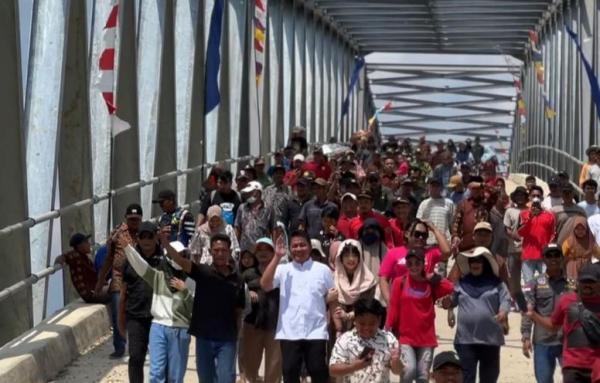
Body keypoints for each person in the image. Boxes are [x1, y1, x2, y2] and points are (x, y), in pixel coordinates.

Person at [261, 230, 335, 383]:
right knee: (289, 373)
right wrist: (277, 257)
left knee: (318, 371)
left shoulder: (323, 270)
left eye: (302, 245)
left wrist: (337, 323)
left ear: (309, 246)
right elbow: (265, 285)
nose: (298, 249)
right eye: (294, 246)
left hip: (316, 330)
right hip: (289, 331)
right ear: (290, 248)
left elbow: (333, 297)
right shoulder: (283, 269)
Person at [122, 239, 193, 383]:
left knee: (175, 376)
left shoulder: (191, 280)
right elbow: (141, 266)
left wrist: (185, 291)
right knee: (156, 373)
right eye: (177, 255)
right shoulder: (159, 276)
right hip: (158, 327)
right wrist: (128, 248)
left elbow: (194, 309)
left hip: (181, 330)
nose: (181, 258)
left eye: (182, 254)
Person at [442, 247, 511, 383]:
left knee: (489, 379)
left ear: (484, 263)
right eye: (472, 261)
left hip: (490, 341)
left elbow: (506, 300)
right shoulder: (461, 283)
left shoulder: (497, 284)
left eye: (478, 261)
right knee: (467, 379)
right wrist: (447, 304)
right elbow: (452, 301)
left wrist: (503, 312)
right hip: (465, 340)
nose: (475, 264)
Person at [385, 249, 454, 382]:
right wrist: (387, 331)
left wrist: (434, 278)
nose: (413, 267)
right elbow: (393, 308)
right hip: (406, 337)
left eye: (417, 263)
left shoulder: (430, 283)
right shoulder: (400, 282)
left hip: (427, 338)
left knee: (423, 376)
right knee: (409, 371)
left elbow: (451, 288)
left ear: (423, 264)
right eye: (410, 263)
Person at [526, 263, 600, 383]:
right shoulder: (566, 300)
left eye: (591, 282)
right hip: (572, 366)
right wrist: (534, 315)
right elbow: (553, 326)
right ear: (578, 282)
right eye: (584, 281)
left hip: (597, 367)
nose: (587, 285)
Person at [96, 203, 142, 358]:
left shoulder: (146, 233)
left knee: (140, 315)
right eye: (131, 219)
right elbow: (109, 258)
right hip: (118, 279)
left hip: (139, 280)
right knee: (118, 314)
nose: (134, 222)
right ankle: (119, 347)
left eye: (136, 219)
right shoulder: (117, 234)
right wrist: (100, 281)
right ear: (126, 219)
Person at [119, 221, 164, 383]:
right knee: (136, 357)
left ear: (156, 238)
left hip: (159, 318)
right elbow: (123, 293)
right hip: (135, 316)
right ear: (137, 239)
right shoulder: (131, 260)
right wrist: (121, 320)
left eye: (150, 237)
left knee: (160, 361)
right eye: (142, 237)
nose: (146, 241)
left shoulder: (164, 260)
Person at [521, 244, 572, 383]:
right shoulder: (534, 284)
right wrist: (525, 336)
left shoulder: (572, 285)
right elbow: (528, 311)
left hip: (567, 342)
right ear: (543, 259)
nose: (553, 259)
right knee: (544, 380)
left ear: (562, 258)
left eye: (556, 255)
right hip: (543, 341)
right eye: (549, 255)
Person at [329, 298, 403, 383]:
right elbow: (332, 371)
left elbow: (398, 371)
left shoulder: (389, 339)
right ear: (355, 320)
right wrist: (354, 367)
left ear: (379, 320)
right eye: (362, 323)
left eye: (371, 323)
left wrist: (396, 360)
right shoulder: (345, 340)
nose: (367, 328)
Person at [379, 219, 451, 305]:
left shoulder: (431, 253)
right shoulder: (393, 253)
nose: (421, 238)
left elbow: (447, 251)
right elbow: (383, 279)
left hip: (424, 305)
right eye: (417, 234)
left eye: (424, 235)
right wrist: (390, 302)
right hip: (400, 304)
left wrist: (434, 229)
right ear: (406, 234)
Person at [241, 238, 282, 383]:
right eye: (259, 249)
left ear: (273, 252)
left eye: (267, 249)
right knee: (250, 368)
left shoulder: (281, 273)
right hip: (252, 325)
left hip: (275, 327)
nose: (263, 253)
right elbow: (238, 296)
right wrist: (247, 294)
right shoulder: (247, 274)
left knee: (274, 371)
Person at [332, 240, 378, 332]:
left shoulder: (368, 280)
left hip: (361, 327)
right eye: (346, 255)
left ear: (360, 257)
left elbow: (366, 305)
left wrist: (348, 316)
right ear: (340, 258)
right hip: (337, 327)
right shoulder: (332, 278)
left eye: (354, 255)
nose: (351, 259)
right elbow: (331, 304)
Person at [54, 233, 109, 303]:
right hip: (91, 294)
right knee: (117, 289)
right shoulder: (75, 255)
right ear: (79, 246)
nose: (89, 244)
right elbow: (63, 257)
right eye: (86, 242)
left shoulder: (85, 258)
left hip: (95, 291)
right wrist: (58, 262)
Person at [518, 197, 555, 284]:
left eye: (537, 204)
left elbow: (552, 234)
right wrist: (530, 217)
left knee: (545, 282)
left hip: (544, 256)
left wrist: (548, 251)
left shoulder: (549, 216)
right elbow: (520, 232)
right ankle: (529, 298)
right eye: (534, 204)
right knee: (528, 283)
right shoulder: (523, 214)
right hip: (528, 255)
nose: (535, 207)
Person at [235, 181, 276, 252]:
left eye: (250, 193)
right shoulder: (242, 208)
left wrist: (274, 246)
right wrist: (236, 246)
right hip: (245, 249)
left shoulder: (268, 209)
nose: (247, 195)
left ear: (258, 192)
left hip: (262, 248)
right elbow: (237, 227)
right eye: (247, 193)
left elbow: (274, 229)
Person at [504, 186, 529, 296]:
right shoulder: (509, 211)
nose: (520, 197)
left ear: (526, 197)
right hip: (513, 249)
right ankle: (514, 297)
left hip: (527, 250)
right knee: (514, 276)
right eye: (518, 195)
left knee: (527, 276)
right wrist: (518, 238)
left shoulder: (530, 211)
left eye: (522, 195)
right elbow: (507, 229)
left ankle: (528, 298)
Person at [416, 178, 454, 246]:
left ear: (441, 188)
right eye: (433, 186)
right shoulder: (423, 204)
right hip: (427, 242)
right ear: (429, 187)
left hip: (445, 242)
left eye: (437, 186)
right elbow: (419, 223)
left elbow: (452, 224)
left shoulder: (449, 203)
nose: (435, 188)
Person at [562, 216, 600, 283]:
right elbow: (562, 256)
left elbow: (598, 254)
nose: (580, 231)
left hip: (587, 268)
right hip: (572, 268)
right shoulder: (569, 242)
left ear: (587, 229)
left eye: (582, 229)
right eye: (577, 229)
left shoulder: (591, 242)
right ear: (574, 229)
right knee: (572, 287)